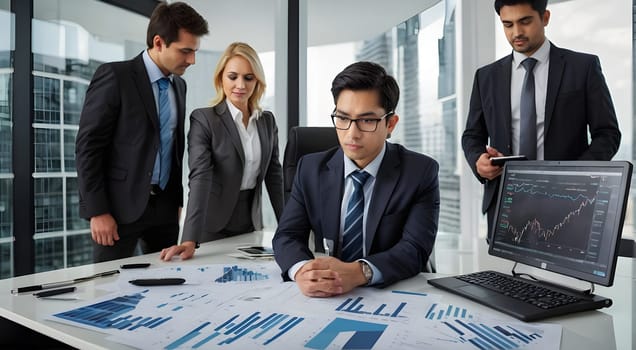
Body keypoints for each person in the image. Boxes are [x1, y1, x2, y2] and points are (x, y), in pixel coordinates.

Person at [272, 61, 440, 298]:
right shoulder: (310, 169)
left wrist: (360, 272)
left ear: (390, 124)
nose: (352, 133)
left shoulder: (420, 172)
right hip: (331, 297)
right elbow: (287, 235)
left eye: (367, 120)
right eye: (342, 118)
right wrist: (302, 271)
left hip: (396, 293)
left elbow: (414, 249)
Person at [462, 0, 621, 237]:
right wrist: (479, 161)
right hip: (506, 204)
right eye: (507, 24)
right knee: (504, 274)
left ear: (545, 17)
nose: (516, 32)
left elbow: (607, 134)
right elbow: (472, 135)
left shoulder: (583, 67)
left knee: (565, 273)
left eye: (525, 22)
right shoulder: (486, 77)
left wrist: (575, 176)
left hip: (568, 204)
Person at [75, 2, 209, 262]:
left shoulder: (178, 86)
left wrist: (176, 202)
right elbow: (88, 148)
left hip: (165, 211)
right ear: (159, 43)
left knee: (167, 288)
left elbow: (174, 147)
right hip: (116, 212)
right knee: (109, 291)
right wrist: (97, 211)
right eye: (185, 51)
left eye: (194, 52)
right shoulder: (115, 76)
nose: (191, 60)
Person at [159, 42, 285, 261]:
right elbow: (200, 177)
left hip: (250, 223)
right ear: (220, 79)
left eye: (248, 77)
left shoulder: (266, 121)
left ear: (257, 81)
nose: (240, 85)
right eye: (232, 76)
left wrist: (290, 227)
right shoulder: (204, 119)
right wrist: (189, 238)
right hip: (212, 225)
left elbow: (275, 177)